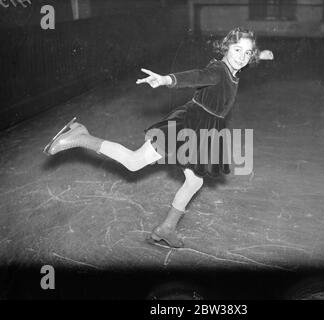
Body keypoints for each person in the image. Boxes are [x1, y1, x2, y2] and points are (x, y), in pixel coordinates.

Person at [43, 27, 273, 248]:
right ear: (225, 49)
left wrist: (259, 55)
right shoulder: (218, 71)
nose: (242, 57)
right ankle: (82, 136)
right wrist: (166, 79)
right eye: (237, 50)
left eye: (247, 52)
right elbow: (196, 76)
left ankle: (166, 228)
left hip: (205, 130)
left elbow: (244, 57)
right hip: (189, 124)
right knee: (134, 162)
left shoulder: (235, 67)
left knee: (195, 180)